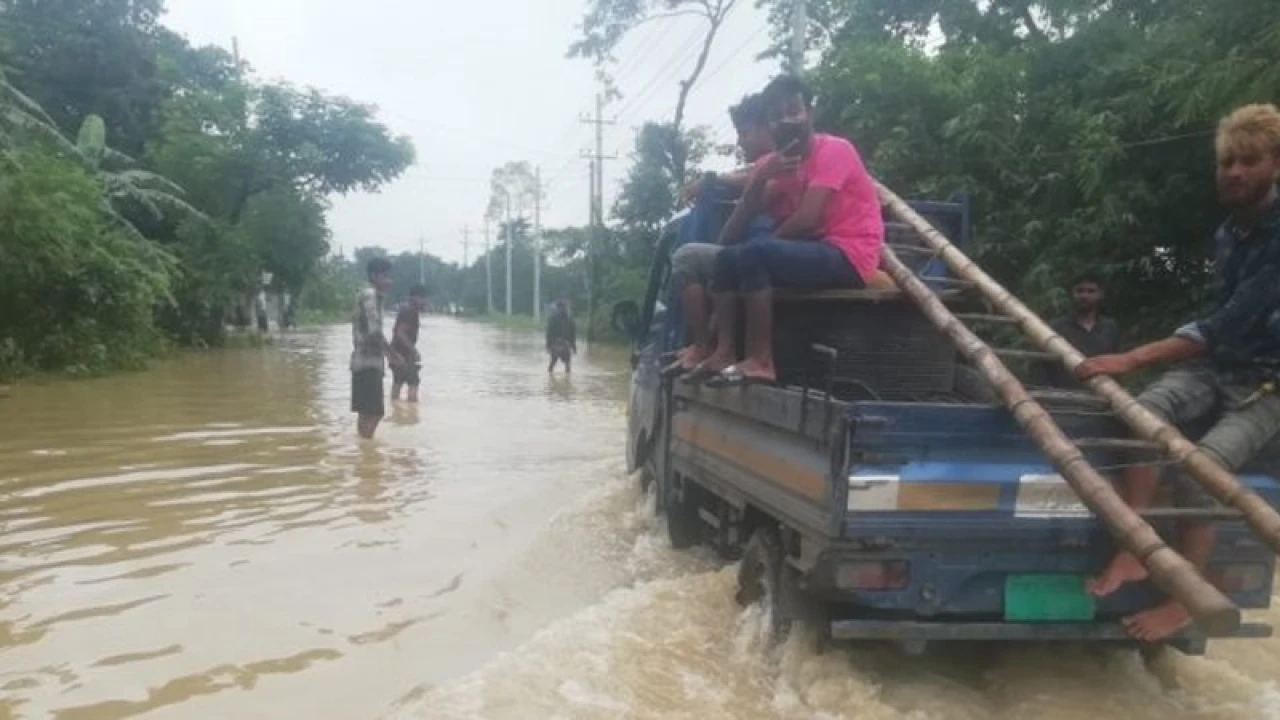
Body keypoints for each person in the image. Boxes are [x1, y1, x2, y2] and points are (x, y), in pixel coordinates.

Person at [1076, 103, 1280, 642]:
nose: (1234, 172)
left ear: (1275, 165)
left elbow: (1231, 318)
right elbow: (1220, 324)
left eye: (1249, 161)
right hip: (1219, 365)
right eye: (1227, 162)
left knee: (1202, 469)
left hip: (1269, 382)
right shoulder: (1228, 234)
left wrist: (1133, 357)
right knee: (1141, 414)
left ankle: (1184, 597)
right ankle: (1137, 542)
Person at [699, 74, 886, 386]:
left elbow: (808, 219)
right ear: (769, 126)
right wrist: (760, 178)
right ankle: (725, 352)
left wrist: (764, 247)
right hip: (816, 249)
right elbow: (729, 236)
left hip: (850, 253)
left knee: (754, 254)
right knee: (727, 258)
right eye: (776, 116)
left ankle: (761, 361)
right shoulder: (777, 164)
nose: (786, 120)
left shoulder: (835, 151)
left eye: (794, 110)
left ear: (810, 114)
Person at [668, 93, 777, 374]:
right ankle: (714, 346)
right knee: (725, 259)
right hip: (762, 255)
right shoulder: (765, 166)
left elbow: (758, 178)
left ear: (769, 128)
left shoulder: (779, 163)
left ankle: (703, 345)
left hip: (766, 255)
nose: (741, 141)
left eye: (745, 132)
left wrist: (713, 180)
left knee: (687, 258)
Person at [1031, 272, 1121, 388]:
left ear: (1100, 295)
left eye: (1091, 291)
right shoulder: (1056, 327)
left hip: (1101, 396)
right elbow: (1040, 366)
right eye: (1080, 291)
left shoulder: (1109, 327)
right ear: (1072, 294)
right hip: (1062, 398)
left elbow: (1116, 363)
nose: (1084, 295)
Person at [351, 257, 400, 439]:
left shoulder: (370, 295)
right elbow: (374, 331)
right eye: (385, 276)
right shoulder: (370, 295)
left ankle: (363, 448)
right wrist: (392, 354)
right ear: (374, 276)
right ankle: (366, 446)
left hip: (364, 362)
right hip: (368, 362)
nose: (389, 281)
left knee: (367, 412)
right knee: (375, 412)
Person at [390, 283, 428, 403]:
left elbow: (397, 331)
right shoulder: (410, 312)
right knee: (413, 382)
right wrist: (414, 350)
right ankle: (412, 414)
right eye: (422, 298)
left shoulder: (406, 309)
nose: (424, 302)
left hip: (396, 353)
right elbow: (400, 333)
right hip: (402, 354)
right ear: (414, 297)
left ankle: (396, 410)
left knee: (398, 381)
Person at [546, 300, 577, 374]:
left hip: (565, 345)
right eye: (563, 307)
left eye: (565, 307)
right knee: (553, 363)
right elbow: (549, 333)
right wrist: (548, 346)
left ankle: (566, 378)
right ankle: (550, 377)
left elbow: (573, 335)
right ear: (558, 308)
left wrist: (574, 347)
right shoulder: (553, 319)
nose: (565, 309)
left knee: (567, 365)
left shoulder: (570, 320)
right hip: (555, 344)